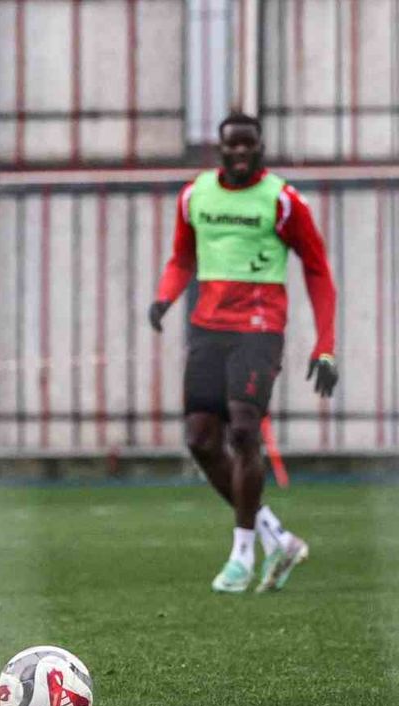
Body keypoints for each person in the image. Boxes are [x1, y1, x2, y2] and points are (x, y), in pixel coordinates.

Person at [149, 112, 338, 594]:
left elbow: (318, 269)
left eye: (246, 144)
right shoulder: (195, 196)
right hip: (208, 329)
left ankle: (242, 555)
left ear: (259, 147)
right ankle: (278, 537)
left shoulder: (282, 200)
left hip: (259, 328)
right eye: (230, 144)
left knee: (243, 428)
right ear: (219, 148)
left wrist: (325, 345)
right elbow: (182, 257)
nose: (238, 152)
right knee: (200, 438)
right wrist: (165, 297)